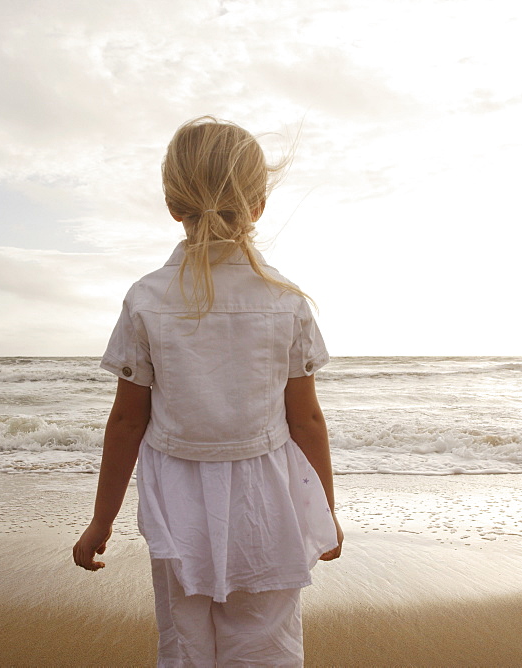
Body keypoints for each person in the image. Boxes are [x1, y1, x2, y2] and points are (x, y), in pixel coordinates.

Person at [73, 116, 343, 667]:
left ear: (174, 204)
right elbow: (305, 421)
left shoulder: (147, 297)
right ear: (259, 205)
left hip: (178, 499)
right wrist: (326, 512)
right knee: (266, 641)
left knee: (187, 642)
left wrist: (101, 521)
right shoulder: (285, 301)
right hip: (266, 498)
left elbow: (127, 423)